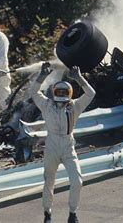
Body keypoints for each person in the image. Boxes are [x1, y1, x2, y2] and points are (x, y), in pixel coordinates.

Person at [29, 63, 96, 223]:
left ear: (70, 93)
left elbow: (91, 93)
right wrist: (42, 76)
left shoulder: (75, 106)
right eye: (58, 91)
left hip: (68, 146)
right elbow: (33, 92)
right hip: (51, 146)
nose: (61, 94)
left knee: (77, 181)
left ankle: (72, 214)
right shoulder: (46, 105)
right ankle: (47, 213)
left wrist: (79, 78)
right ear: (53, 93)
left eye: (64, 92)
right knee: (49, 181)